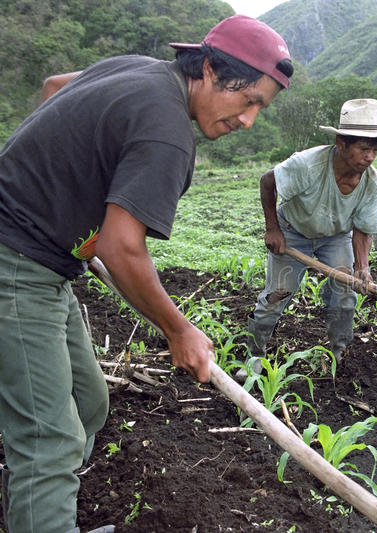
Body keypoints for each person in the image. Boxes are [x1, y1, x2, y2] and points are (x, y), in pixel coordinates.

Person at [0, 15, 292, 533]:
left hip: (44, 264)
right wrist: (179, 330)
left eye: (259, 109)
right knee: (50, 440)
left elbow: (54, 88)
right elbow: (121, 248)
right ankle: (42, 502)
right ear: (209, 69)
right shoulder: (168, 133)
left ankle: (38, 504)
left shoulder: (138, 69)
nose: (249, 119)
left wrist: (66, 193)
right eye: (248, 100)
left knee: (88, 403)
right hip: (15, 265)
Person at [242, 98, 377, 376]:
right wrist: (272, 228)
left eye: (375, 150)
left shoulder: (373, 184)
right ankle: (254, 354)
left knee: (344, 294)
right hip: (292, 232)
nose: (370, 157)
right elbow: (267, 182)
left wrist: (362, 267)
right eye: (364, 149)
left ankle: (340, 353)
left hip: (335, 237)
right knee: (277, 295)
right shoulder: (308, 164)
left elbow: (363, 229)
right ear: (341, 143)